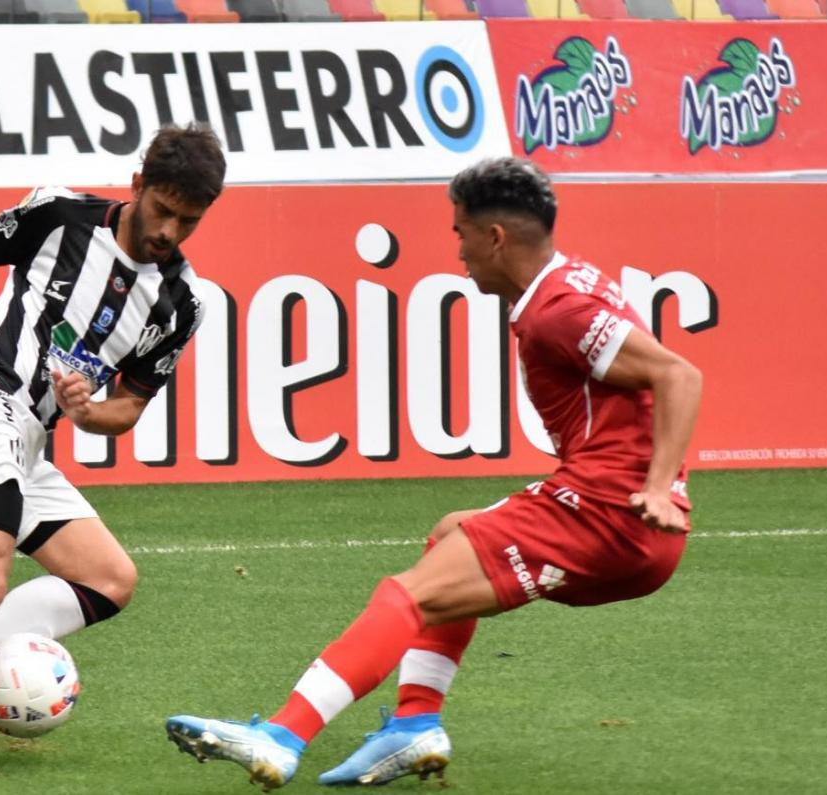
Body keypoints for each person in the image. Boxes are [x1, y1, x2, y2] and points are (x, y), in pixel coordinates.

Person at [165, 157, 703, 791]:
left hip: (606, 511)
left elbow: (679, 375)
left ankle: (283, 736)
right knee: (453, 534)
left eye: (460, 234)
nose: (459, 253)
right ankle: (414, 723)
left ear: (495, 237)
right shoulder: (568, 283)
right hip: (629, 526)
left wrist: (660, 486)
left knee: (408, 594)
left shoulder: (558, 310)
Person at [0, 123, 227, 778]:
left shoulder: (180, 302)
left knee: (109, 578)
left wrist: (88, 410)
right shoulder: (59, 212)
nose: (170, 230)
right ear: (137, 184)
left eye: (188, 220)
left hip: (28, 438)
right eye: (163, 210)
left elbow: (129, 409)